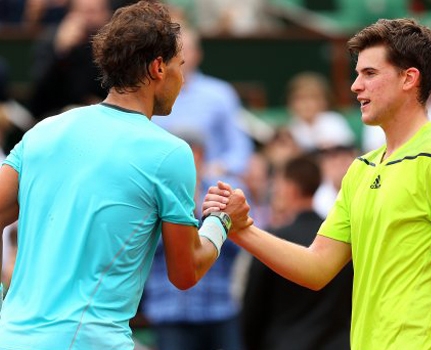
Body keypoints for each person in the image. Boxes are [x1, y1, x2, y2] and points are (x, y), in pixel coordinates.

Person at [203, 18, 431, 349]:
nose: (356, 86)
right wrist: (242, 229)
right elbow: (316, 268)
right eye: (357, 74)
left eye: (369, 74)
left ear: (408, 79)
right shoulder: (361, 169)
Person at [0, 1, 250, 349]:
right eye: (179, 66)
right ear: (159, 68)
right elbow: (186, 271)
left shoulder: (46, 130)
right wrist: (222, 221)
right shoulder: (170, 153)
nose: (181, 79)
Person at [140, 129, 245, 350]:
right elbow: (149, 247)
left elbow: (241, 248)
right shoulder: (156, 195)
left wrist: (212, 216)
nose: (192, 161)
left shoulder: (223, 193)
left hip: (219, 308)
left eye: (196, 154)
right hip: (171, 311)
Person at [242, 155, 353, 350]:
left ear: (289, 188)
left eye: (278, 184)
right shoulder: (342, 240)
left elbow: (253, 309)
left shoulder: (270, 241)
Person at [151, 25, 253, 189]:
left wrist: (219, 167)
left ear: (198, 54)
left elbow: (240, 147)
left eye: (187, 50)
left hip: (211, 184)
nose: (181, 57)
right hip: (162, 184)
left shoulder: (221, 93)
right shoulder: (151, 94)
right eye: (174, 51)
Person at [28, 0, 112, 120]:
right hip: (57, 116)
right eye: (84, 12)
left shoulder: (115, 46)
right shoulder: (50, 42)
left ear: (107, 14)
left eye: (94, 12)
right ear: (70, 15)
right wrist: (62, 52)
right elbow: (40, 97)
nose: (89, 18)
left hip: (105, 115)